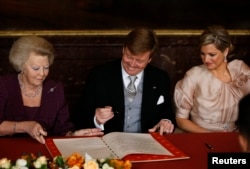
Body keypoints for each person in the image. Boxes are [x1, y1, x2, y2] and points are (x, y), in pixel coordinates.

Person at [0, 36, 103, 144]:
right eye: (36, 68)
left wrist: (73, 135)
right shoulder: (4, 85)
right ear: (21, 65)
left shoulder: (55, 88)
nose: (42, 73)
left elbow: (63, 128)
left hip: (45, 154)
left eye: (46, 67)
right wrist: (26, 126)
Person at [72, 27, 175, 135]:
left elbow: (167, 113)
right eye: (129, 57)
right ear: (123, 49)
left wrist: (166, 122)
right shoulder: (99, 74)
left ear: (149, 59)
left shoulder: (160, 78)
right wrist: (96, 119)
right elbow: (79, 116)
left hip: (146, 142)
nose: (132, 64)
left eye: (139, 60)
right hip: (108, 142)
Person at [174, 25, 250, 133]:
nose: (206, 59)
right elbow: (181, 120)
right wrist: (211, 136)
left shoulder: (240, 70)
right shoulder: (194, 75)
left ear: (225, 51)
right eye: (202, 54)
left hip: (235, 137)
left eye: (212, 54)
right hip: (200, 137)